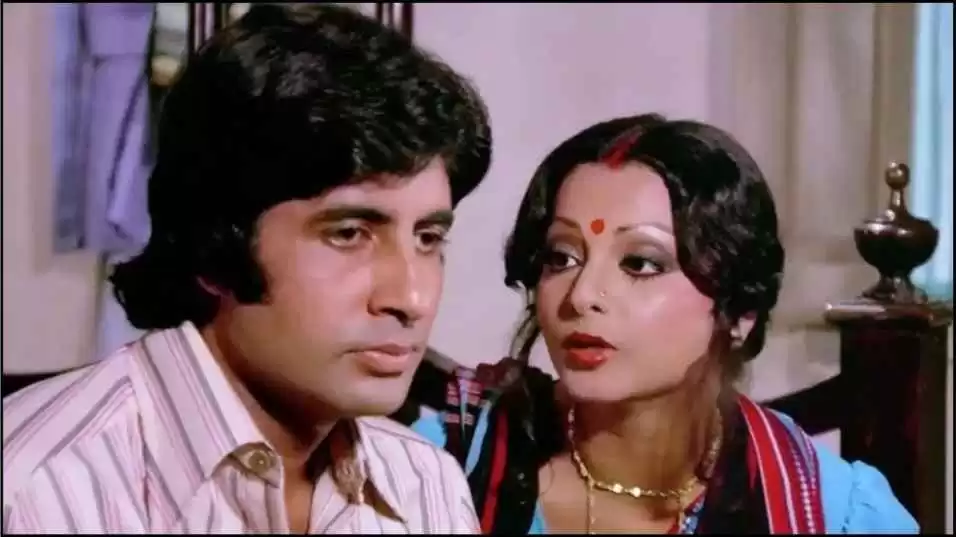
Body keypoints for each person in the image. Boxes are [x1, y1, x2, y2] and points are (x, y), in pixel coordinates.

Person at [2, 4, 491, 534]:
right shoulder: (35, 489)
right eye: (349, 234)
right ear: (217, 243)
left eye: (428, 238)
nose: (412, 298)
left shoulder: (425, 485)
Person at [397, 114, 919, 534]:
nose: (582, 296)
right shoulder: (447, 464)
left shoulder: (828, 512)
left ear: (740, 312)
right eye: (561, 258)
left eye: (640, 264)